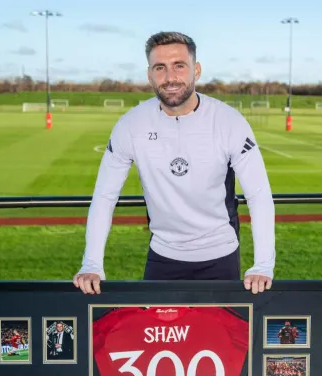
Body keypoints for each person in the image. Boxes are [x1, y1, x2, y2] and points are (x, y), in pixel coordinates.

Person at [73, 31, 275, 295]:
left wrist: (263, 265)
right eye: (160, 68)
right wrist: (91, 264)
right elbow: (104, 195)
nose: (170, 77)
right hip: (163, 256)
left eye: (179, 66)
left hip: (220, 255)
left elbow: (258, 195)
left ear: (196, 70)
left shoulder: (229, 122)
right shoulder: (131, 125)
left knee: (216, 325)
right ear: (149, 75)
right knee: (155, 324)